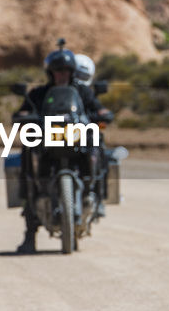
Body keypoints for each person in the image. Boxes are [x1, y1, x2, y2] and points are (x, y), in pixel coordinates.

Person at [14, 42, 113, 254]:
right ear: (51, 73)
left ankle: (98, 191)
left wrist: (102, 114)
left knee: (98, 143)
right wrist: (24, 117)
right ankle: (29, 233)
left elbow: (97, 107)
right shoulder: (39, 93)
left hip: (76, 139)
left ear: (72, 72)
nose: (62, 75)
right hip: (48, 141)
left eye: (66, 71)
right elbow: (23, 111)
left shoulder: (82, 92)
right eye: (58, 71)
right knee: (28, 151)